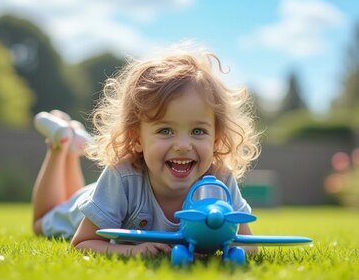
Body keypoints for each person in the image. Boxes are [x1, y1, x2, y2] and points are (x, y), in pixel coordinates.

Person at [31, 45, 261, 257]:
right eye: (166, 130)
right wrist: (132, 251)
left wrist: (222, 250)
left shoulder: (219, 179)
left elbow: (248, 244)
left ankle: (73, 146)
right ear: (137, 138)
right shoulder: (121, 177)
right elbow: (82, 243)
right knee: (42, 223)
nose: (183, 145)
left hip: (106, 200)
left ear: (216, 139)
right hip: (94, 204)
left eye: (198, 131)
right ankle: (61, 148)